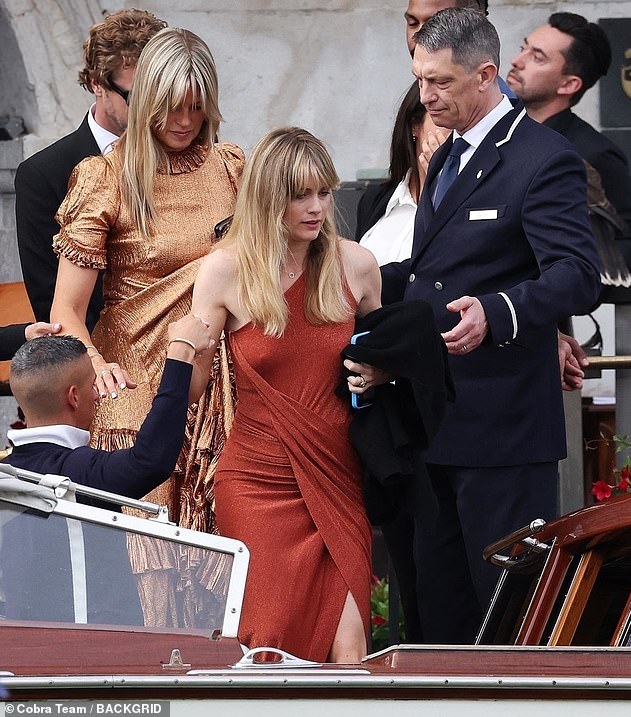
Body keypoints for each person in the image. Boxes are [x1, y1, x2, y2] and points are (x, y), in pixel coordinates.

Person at [353, 7, 601, 645]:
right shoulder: (450, 154)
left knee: (506, 620)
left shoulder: (545, 159)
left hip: (503, 433)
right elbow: (438, 271)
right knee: (437, 622)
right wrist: (342, 277)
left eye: (441, 83)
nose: (425, 96)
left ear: (486, 74)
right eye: (420, 80)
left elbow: (577, 273)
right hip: (434, 422)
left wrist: (499, 310)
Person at [191, 127, 382, 662]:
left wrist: (384, 375)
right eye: (300, 194)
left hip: (338, 474)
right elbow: (193, 387)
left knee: (350, 645)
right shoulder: (225, 269)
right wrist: (177, 350)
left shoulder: (358, 265)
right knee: (267, 643)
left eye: (325, 192)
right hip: (256, 481)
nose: (317, 207)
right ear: (267, 196)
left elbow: (391, 358)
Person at [49, 27, 243, 539]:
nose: (184, 121)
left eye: (197, 106)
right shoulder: (104, 176)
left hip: (223, 393)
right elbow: (66, 309)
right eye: (170, 106)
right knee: (143, 557)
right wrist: (96, 366)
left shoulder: (232, 169)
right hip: (134, 384)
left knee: (222, 554)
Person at [1, 315, 214, 625]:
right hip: (90, 658)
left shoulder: (8, 471)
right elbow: (149, 460)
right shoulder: (76, 471)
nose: (98, 394)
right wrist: (180, 353)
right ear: (73, 397)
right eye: (93, 384)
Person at [14, 9, 167, 332]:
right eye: (136, 95)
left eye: (160, 95)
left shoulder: (190, 153)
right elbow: (52, 306)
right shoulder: (43, 174)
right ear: (97, 84)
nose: (150, 109)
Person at [507, 12, 631, 269]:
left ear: (569, 84)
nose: (517, 61)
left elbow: (627, 241)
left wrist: (568, 278)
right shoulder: (493, 135)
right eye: (523, 48)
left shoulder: (596, 153)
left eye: (537, 57)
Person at [355, 81, 449, 264]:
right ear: (415, 124)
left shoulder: (464, 203)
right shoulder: (376, 200)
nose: (455, 134)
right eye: (443, 118)